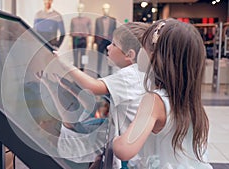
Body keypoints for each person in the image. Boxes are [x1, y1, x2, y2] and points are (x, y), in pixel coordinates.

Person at [113, 19, 213, 169]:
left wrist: (115, 140)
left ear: (153, 56)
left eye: (142, 47)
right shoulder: (190, 102)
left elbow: (125, 149)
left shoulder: (154, 100)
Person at [55, 22, 149, 169]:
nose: (108, 47)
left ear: (129, 55)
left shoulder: (130, 75)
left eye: (114, 44)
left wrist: (64, 64)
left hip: (130, 151)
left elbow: (93, 87)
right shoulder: (139, 73)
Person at [94, 3, 116, 77]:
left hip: (109, 41)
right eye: (104, 9)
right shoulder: (98, 20)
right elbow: (96, 31)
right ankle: (98, 74)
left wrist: (114, 43)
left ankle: (110, 73)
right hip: (100, 41)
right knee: (99, 58)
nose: (105, 10)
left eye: (107, 8)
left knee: (110, 58)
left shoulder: (113, 20)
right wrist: (95, 42)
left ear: (109, 10)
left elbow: (114, 32)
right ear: (102, 10)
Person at [70, 3, 92, 70]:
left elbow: (90, 31)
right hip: (75, 39)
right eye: (79, 8)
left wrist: (90, 43)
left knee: (83, 56)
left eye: (81, 8)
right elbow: (71, 30)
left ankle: (82, 70)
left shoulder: (88, 19)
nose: (80, 10)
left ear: (84, 9)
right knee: (75, 56)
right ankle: (75, 71)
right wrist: (70, 42)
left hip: (83, 39)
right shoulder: (73, 20)